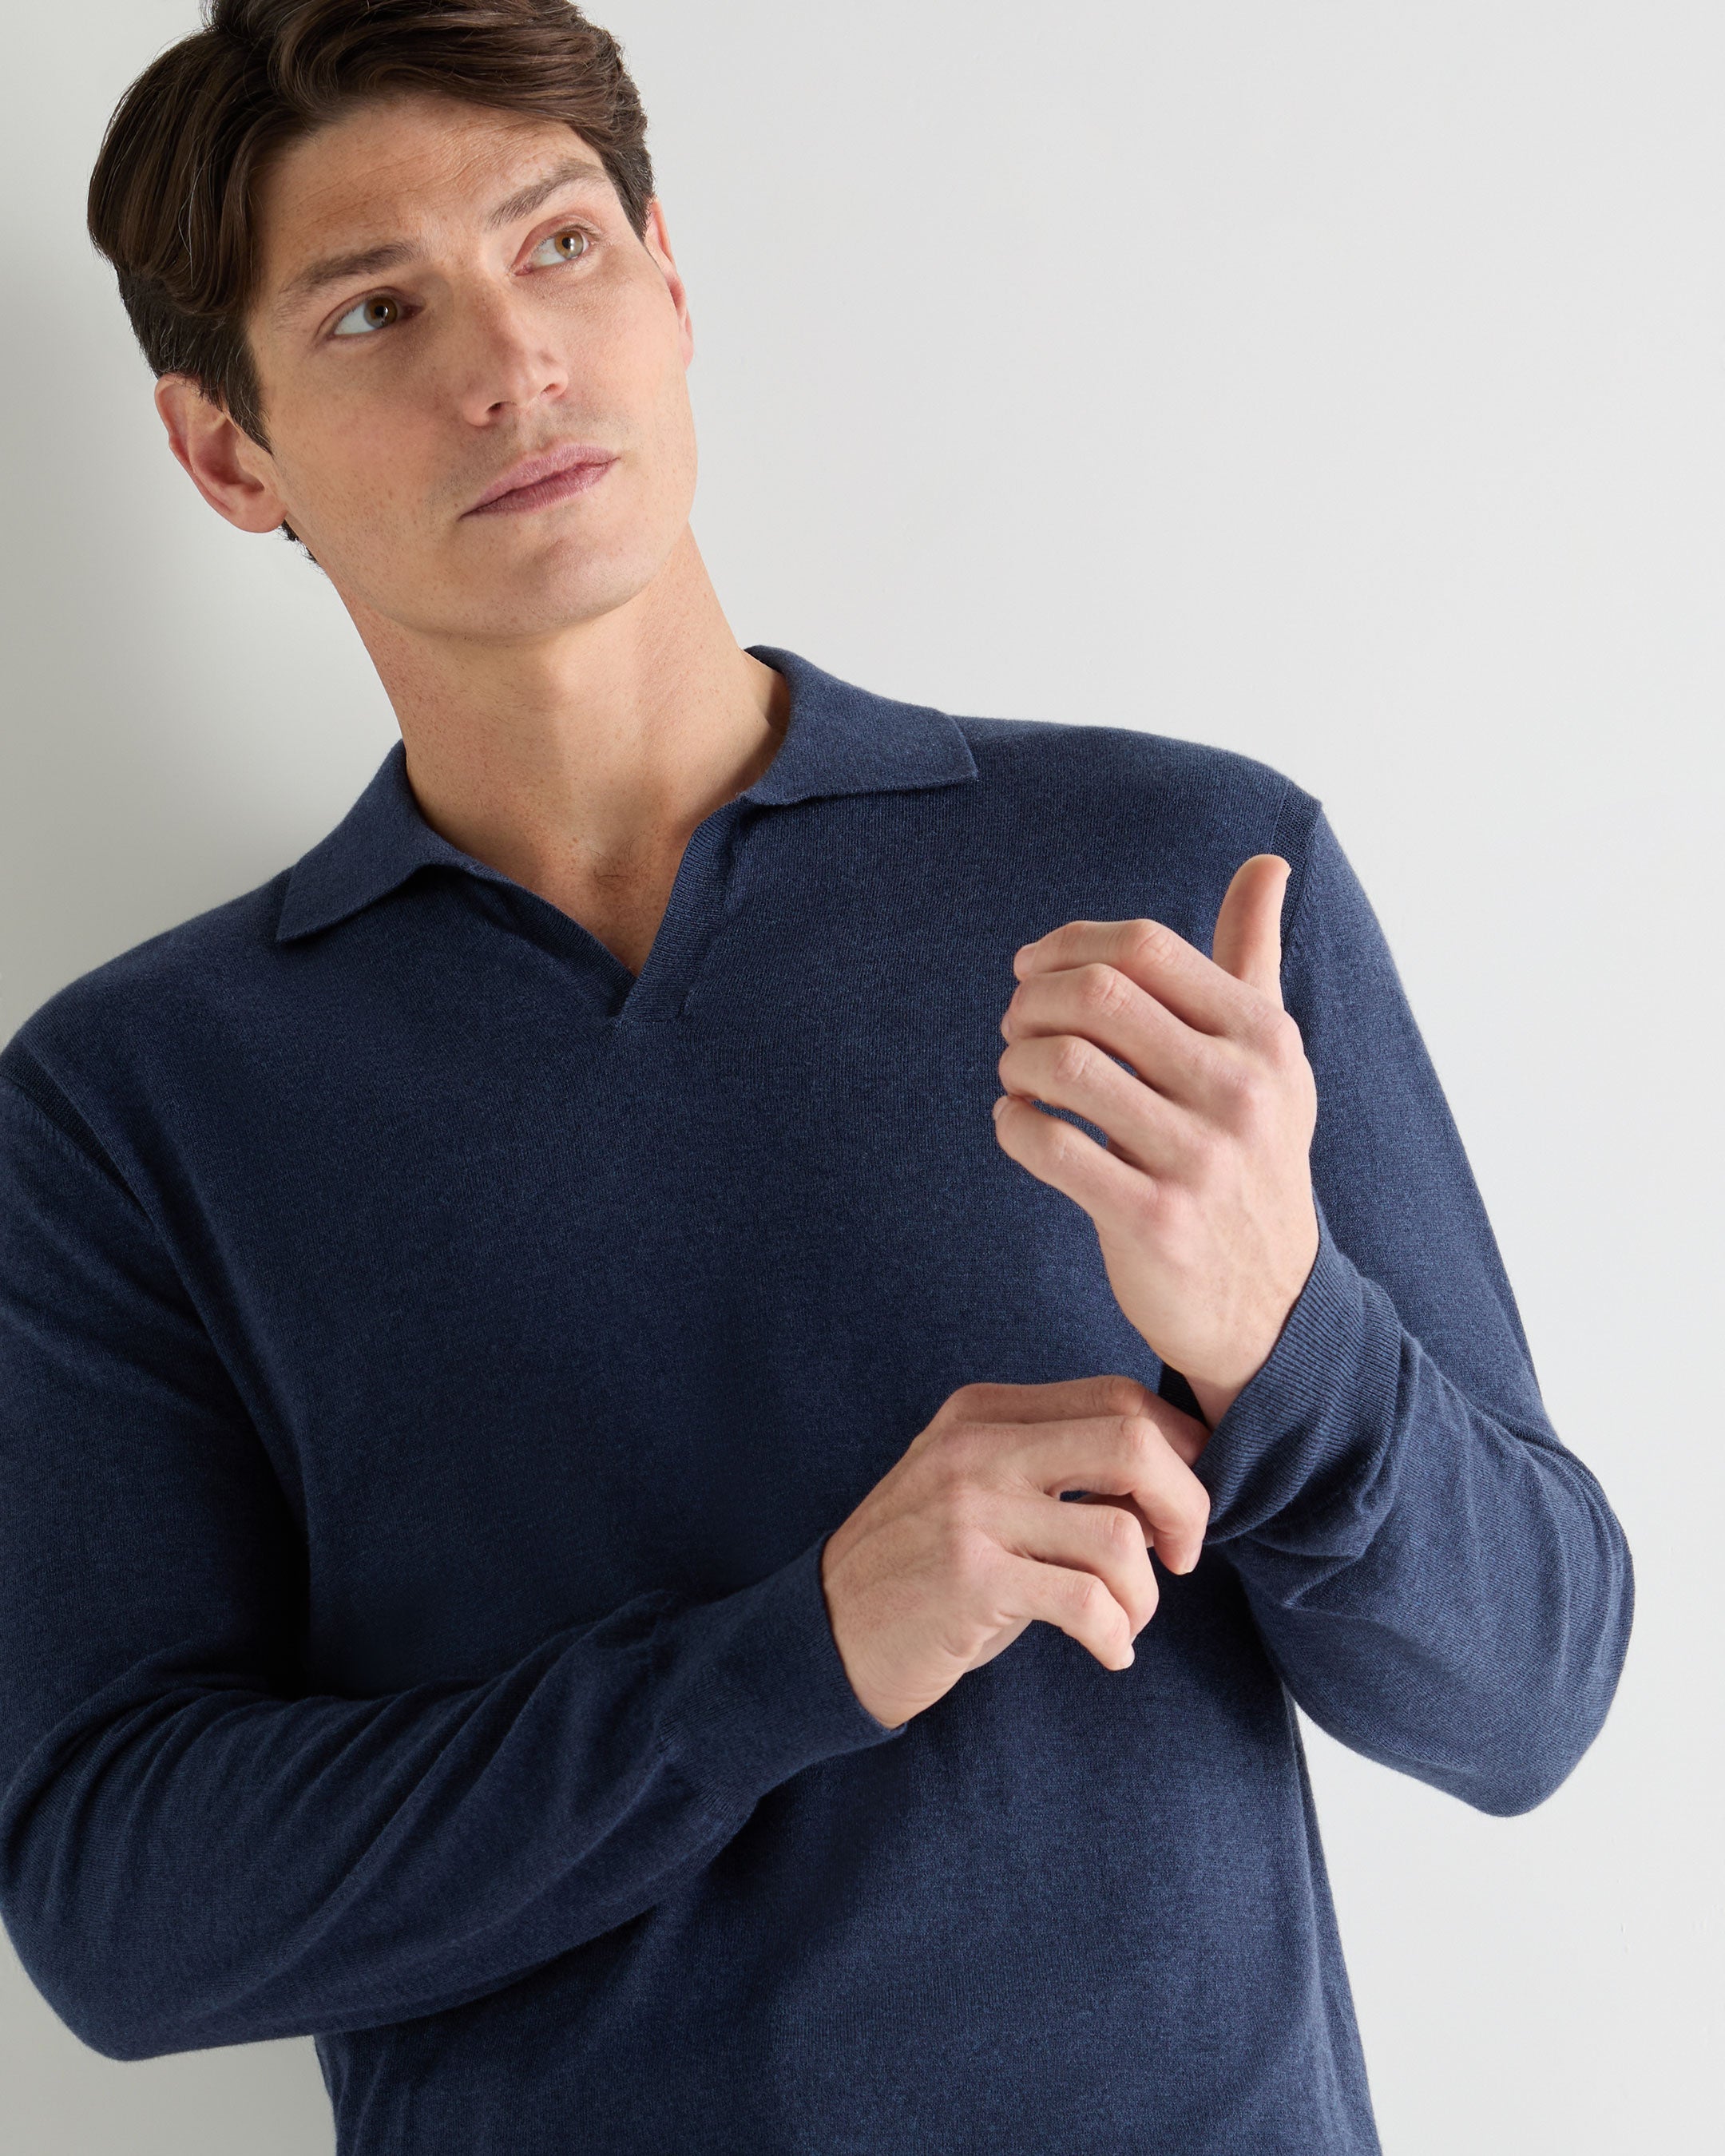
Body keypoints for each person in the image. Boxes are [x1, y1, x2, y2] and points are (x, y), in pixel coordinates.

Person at [0, 3, 1632, 2152]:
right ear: (229, 453)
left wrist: (1281, 1333)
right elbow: (123, 1914)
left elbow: (1530, 1701)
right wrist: (803, 1650)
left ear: (669, 284)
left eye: (559, 246)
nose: (515, 361)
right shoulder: (134, 1107)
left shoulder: (1185, 867)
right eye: (379, 311)